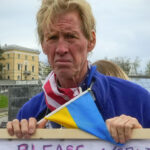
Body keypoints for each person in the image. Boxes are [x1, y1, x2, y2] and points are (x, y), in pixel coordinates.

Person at [7, 0, 150, 144]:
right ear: (43, 45)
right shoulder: (28, 114)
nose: (61, 49)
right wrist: (13, 140)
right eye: (52, 38)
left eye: (70, 36)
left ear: (91, 41)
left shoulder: (137, 101)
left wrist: (140, 139)